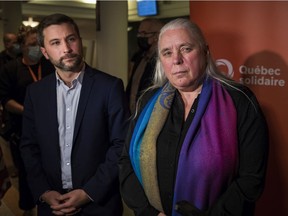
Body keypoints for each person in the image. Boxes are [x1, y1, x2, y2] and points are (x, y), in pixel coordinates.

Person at [119, 18, 269, 216]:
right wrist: (149, 213)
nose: (176, 59)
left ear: (205, 52)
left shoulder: (240, 101)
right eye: (167, 52)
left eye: (186, 49)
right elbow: (125, 161)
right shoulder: (148, 100)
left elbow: (251, 179)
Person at [19, 13, 129, 216]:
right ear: (44, 52)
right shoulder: (35, 93)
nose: (66, 49)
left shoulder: (110, 87)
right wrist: (44, 191)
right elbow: (29, 146)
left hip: (99, 204)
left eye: (71, 39)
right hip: (52, 205)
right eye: (55, 42)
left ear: (79, 41)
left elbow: (121, 145)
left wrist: (89, 192)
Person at [0, 24, 55, 216]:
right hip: (22, 130)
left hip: (50, 129)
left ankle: (49, 203)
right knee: (26, 171)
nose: (37, 48)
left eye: (39, 44)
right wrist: (28, 111)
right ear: (22, 46)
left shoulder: (49, 66)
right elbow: (5, 100)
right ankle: (27, 208)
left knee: (49, 169)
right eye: (32, 44)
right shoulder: (11, 68)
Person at [126, 18, 164, 112]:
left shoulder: (163, 59)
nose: (140, 36)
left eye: (144, 33)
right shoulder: (138, 57)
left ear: (157, 35)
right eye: (139, 33)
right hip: (133, 113)